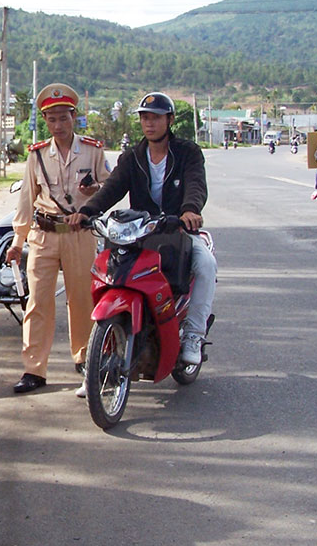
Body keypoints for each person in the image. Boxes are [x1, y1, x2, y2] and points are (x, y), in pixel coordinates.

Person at [67, 91, 217, 372]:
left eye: (156, 118)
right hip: (140, 233)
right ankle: (99, 360)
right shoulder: (132, 157)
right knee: (107, 271)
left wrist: (189, 210)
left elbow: (196, 183)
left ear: (169, 120)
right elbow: (112, 188)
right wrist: (87, 212)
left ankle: (194, 336)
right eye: (145, 118)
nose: (150, 123)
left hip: (177, 230)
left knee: (206, 264)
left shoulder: (188, 152)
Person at [6, 83, 112, 396]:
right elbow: (27, 198)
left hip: (79, 235)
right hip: (44, 235)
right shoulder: (37, 155)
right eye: (51, 119)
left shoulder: (92, 150)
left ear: (74, 117)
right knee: (38, 301)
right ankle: (34, 369)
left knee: (81, 300)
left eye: (63, 118)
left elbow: (110, 187)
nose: (58, 125)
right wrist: (17, 240)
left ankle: (84, 361)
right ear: (46, 121)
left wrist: (96, 195)